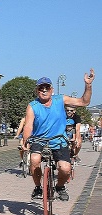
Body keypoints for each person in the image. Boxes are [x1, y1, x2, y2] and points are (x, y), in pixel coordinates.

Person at [23, 70, 95, 201]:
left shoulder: (61, 100)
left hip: (59, 141)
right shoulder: (32, 106)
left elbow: (84, 102)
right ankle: (38, 187)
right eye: (41, 88)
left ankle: (60, 186)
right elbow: (28, 125)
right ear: (37, 91)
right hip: (39, 140)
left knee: (65, 168)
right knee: (34, 160)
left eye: (47, 88)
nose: (44, 90)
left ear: (52, 89)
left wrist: (88, 85)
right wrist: (26, 141)